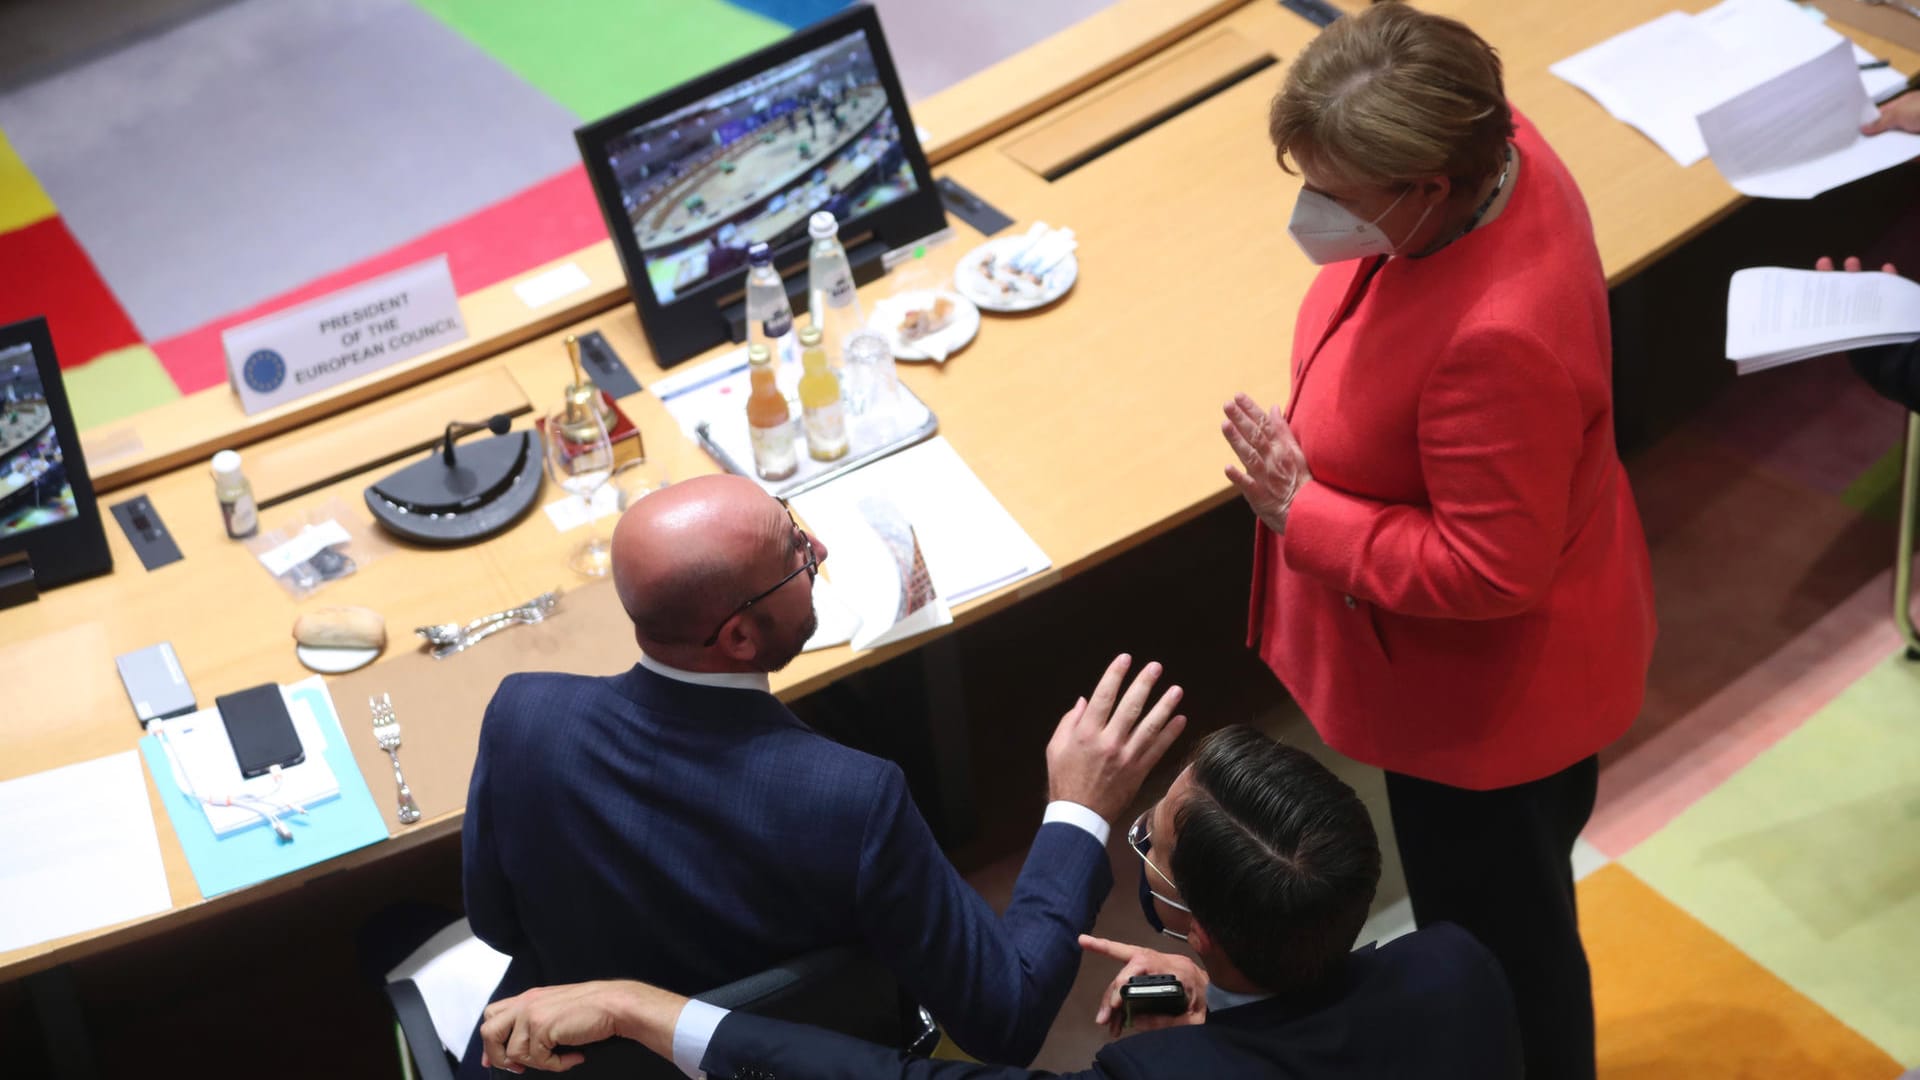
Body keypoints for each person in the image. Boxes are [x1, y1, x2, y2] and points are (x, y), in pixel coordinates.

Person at [1217, 5, 1656, 1078]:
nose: (1313, 212)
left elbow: (1486, 567)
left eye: (1338, 195)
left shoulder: (1497, 339)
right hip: (1497, 664)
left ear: (1430, 191)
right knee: (1510, 932)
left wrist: (1302, 508)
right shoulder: (1499, 144)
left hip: (1489, 718)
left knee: (1508, 959)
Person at [461, 474, 1186, 1078]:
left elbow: (496, 924)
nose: (821, 550)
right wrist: (1079, 811)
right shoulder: (851, 799)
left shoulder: (521, 716)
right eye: (796, 554)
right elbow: (1006, 1016)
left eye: (794, 522)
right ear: (739, 637)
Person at [476, 726, 1522, 1079]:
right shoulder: (1461, 970)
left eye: (1145, 833)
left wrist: (639, 1006)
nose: (1140, 829)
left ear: (1188, 923)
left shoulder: (1154, 1069)